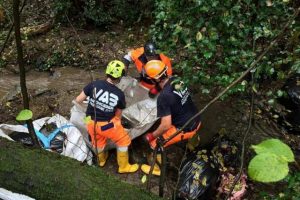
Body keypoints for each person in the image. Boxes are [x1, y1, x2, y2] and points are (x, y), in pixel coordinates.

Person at [75, 60, 139, 173]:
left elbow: (78, 100)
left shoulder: (94, 84)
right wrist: (115, 123)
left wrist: (94, 104)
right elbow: (118, 115)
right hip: (106, 126)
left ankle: (101, 160)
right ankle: (124, 167)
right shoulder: (119, 94)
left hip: (89, 121)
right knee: (123, 140)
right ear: (119, 77)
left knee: (97, 141)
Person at [140, 60, 202, 176]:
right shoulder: (177, 80)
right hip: (197, 118)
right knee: (192, 132)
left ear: (156, 79)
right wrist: (157, 89)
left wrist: (151, 135)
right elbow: (172, 90)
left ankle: (157, 170)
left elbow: (165, 125)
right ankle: (193, 144)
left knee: (155, 143)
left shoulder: (164, 98)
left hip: (185, 127)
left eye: (150, 78)